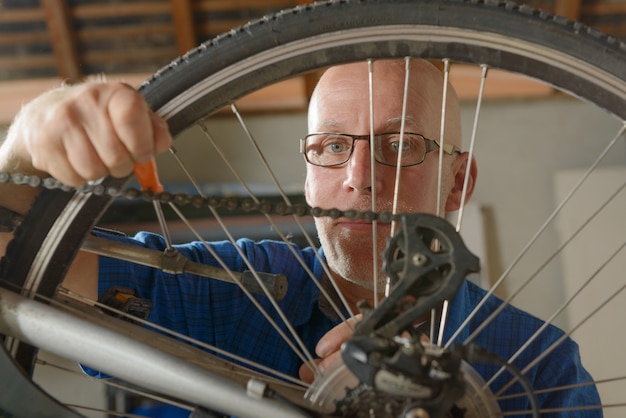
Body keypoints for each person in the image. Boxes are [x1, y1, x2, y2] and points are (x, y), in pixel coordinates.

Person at [0, 60, 601, 416]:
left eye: (400, 146)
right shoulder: (240, 291)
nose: (359, 179)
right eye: (333, 147)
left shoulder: (538, 363)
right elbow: (16, 264)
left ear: (457, 182)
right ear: (309, 172)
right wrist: (28, 142)